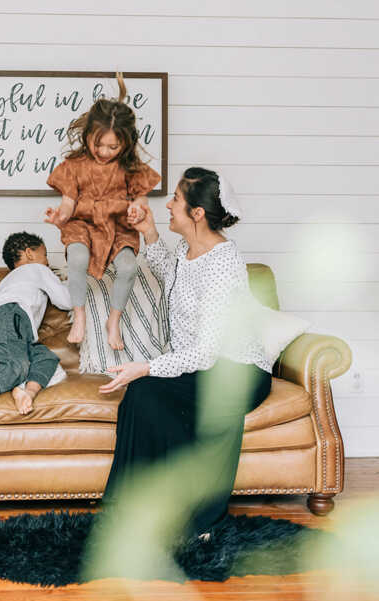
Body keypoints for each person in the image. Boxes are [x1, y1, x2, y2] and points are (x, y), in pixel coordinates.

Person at [99, 167, 274, 540]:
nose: (168, 204)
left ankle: (193, 521)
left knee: (152, 389)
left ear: (197, 213)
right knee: (144, 396)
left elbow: (207, 353)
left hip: (237, 371)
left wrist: (146, 366)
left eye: (176, 199)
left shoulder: (224, 263)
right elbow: (172, 273)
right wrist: (148, 230)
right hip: (206, 365)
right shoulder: (189, 248)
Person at [44, 73, 161, 351]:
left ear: (126, 143)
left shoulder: (131, 168)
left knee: (129, 267)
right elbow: (69, 204)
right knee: (77, 258)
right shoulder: (73, 165)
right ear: (87, 137)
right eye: (98, 144)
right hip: (81, 223)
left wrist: (136, 210)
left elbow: (141, 202)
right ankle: (80, 315)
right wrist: (59, 217)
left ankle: (114, 320)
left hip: (118, 226)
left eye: (113, 146)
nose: (104, 151)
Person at [0, 232, 72, 441]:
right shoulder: (36, 269)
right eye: (45, 255)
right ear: (30, 254)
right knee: (17, 364)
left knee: (46, 358)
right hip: (11, 317)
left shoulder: (10, 280)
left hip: (13, 327)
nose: (47, 261)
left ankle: (27, 393)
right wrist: (75, 279)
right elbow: (66, 300)